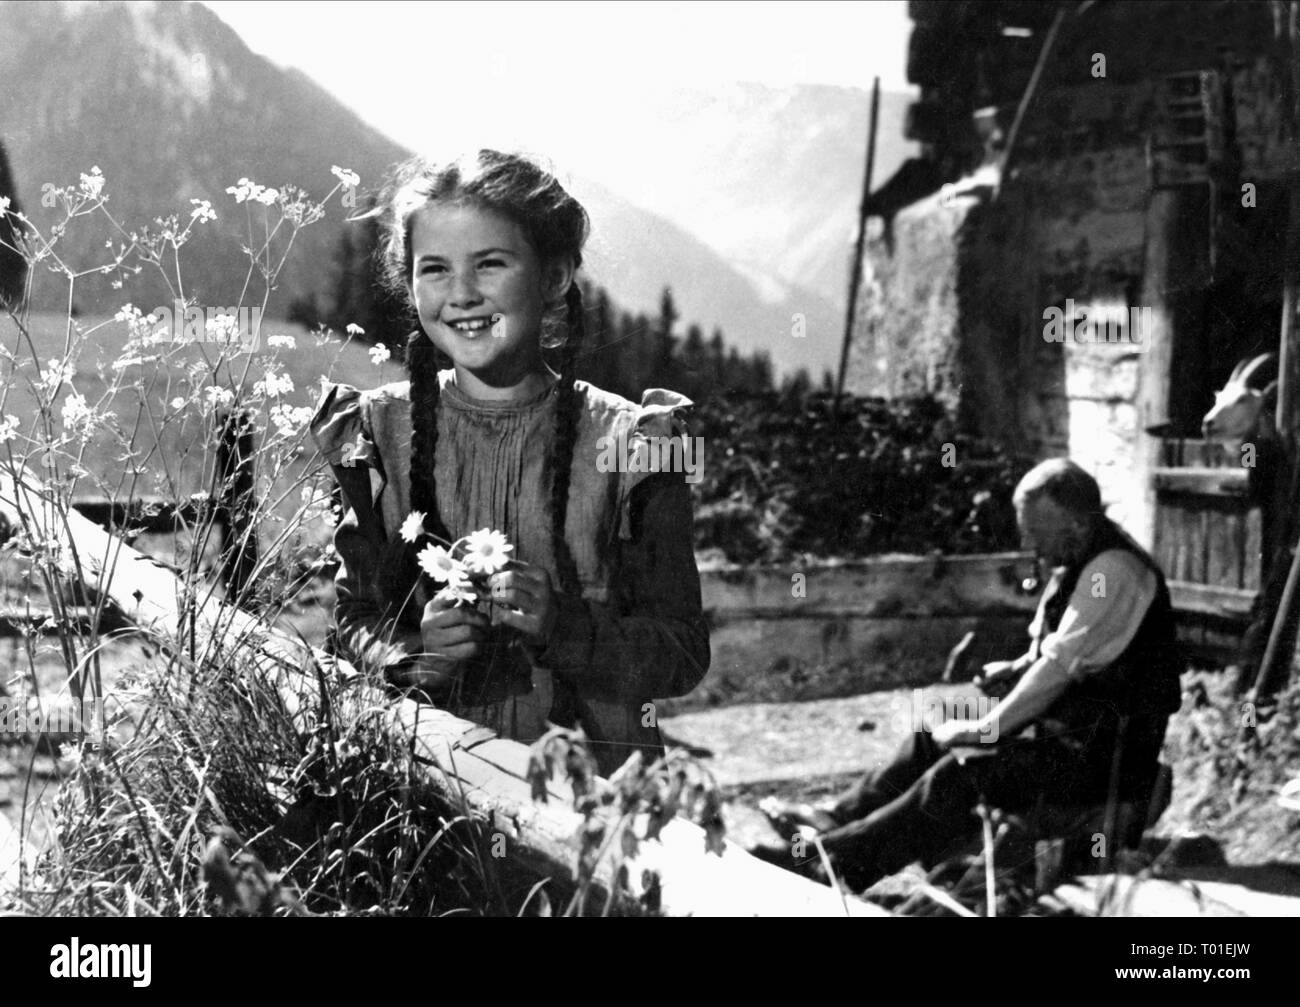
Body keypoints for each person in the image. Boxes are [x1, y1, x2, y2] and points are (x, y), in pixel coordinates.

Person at [310, 150, 709, 776]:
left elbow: (682, 651)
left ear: (553, 277)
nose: (462, 294)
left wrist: (564, 625)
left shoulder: (635, 444)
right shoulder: (378, 434)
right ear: (408, 281)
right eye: (434, 269)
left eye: (491, 264)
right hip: (428, 796)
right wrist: (417, 658)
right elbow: (353, 622)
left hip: (592, 806)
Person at [762, 459, 1182, 890]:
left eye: (1036, 533)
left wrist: (987, 729)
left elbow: (1058, 670)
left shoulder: (1113, 573)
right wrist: (1016, 667)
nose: (1027, 543)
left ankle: (831, 863)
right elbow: (1069, 654)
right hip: (1065, 738)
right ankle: (838, 818)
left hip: (1104, 759)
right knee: (932, 736)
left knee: (963, 771)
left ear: (1075, 524)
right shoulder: (1079, 563)